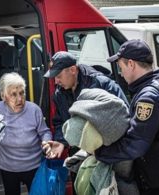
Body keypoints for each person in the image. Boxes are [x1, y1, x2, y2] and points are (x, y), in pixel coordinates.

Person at [94, 39, 159, 195]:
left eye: (121, 67)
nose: (120, 73)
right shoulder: (158, 82)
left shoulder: (147, 98)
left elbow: (135, 144)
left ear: (131, 64)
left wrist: (100, 153)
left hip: (158, 182)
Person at [43, 51, 129, 194]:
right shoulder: (60, 93)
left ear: (72, 70)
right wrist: (61, 142)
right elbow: (60, 121)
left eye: (58, 76)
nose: (56, 81)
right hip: (80, 156)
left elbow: (124, 117)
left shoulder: (102, 84)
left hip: (108, 156)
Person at [0, 72, 53, 195]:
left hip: (34, 167)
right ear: (3, 96)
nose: (20, 99)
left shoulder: (34, 110)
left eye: (22, 93)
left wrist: (46, 142)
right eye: (13, 95)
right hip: (8, 168)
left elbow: (45, 132)